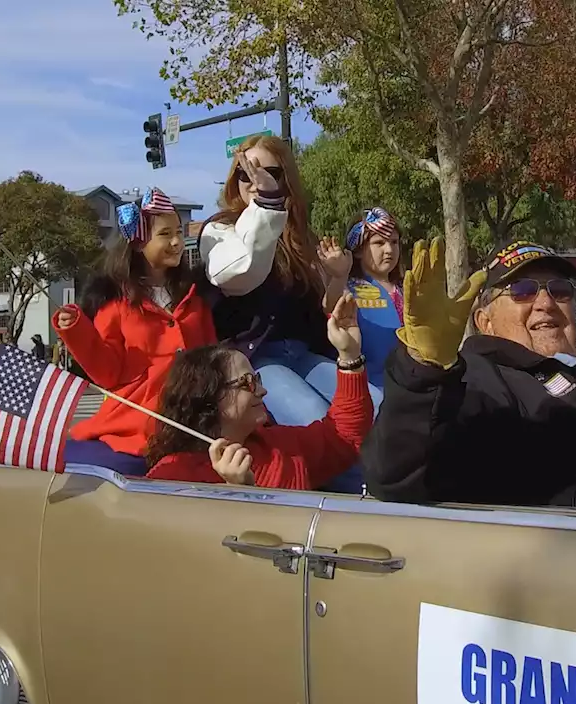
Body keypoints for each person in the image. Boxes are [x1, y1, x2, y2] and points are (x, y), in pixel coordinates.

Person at [362, 238, 576, 509]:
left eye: (560, 289)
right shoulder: (484, 379)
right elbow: (394, 474)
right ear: (485, 322)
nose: (545, 303)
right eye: (522, 290)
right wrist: (422, 371)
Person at [53, 187, 217, 477]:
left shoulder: (194, 297)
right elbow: (107, 373)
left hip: (194, 422)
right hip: (137, 422)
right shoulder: (117, 303)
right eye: (165, 234)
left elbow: (213, 358)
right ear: (140, 242)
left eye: (178, 232)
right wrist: (77, 331)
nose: (178, 242)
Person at [145, 295, 373, 488]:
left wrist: (349, 355)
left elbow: (344, 437)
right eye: (247, 382)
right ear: (208, 397)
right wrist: (238, 494)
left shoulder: (281, 446)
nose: (263, 391)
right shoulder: (172, 476)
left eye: (257, 379)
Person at [198, 134, 338, 428]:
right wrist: (267, 203)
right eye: (244, 172)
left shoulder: (301, 238)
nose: (254, 180)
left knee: (371, 406)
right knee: (319, 419)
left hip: (305, 353)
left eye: (268, 172)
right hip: (254, 360)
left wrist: (338, 276)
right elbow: (240, 273)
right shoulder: (219, 228)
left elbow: (325, 306)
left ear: (286, 179)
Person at [318, 207, 405, 410]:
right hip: (367, 389)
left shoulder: (407, 288)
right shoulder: (349, 287)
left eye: (394, 242)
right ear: (357, 250)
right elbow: (329, 306)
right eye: (379, 243)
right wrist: (339, 276)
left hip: (407, 386)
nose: (389, 250)